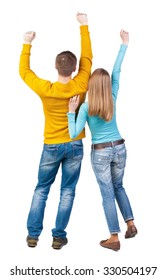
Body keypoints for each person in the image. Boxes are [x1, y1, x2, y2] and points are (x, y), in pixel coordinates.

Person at [19, 12, 92, 249]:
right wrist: (83, 26)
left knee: (42, 188)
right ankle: (58, 237)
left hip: (51, 145)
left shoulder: (45, 89)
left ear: (55, 67)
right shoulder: (81, 84)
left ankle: (33, 235)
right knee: (67, 191)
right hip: (75, 144)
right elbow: (88, 58)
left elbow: (24, 73)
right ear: (74, 69)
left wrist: (27, 44)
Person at [67, 30, 137, 251]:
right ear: (106, 86)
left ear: (91, 85)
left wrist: (71, 112)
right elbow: (116, 72)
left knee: (107, 193)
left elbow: (73, 133)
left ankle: (114, 237)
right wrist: (124, 44)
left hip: (101, 152)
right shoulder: (112, 99)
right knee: (119, 186)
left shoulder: (86, 107)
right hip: (120, 147)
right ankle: (131, 223)